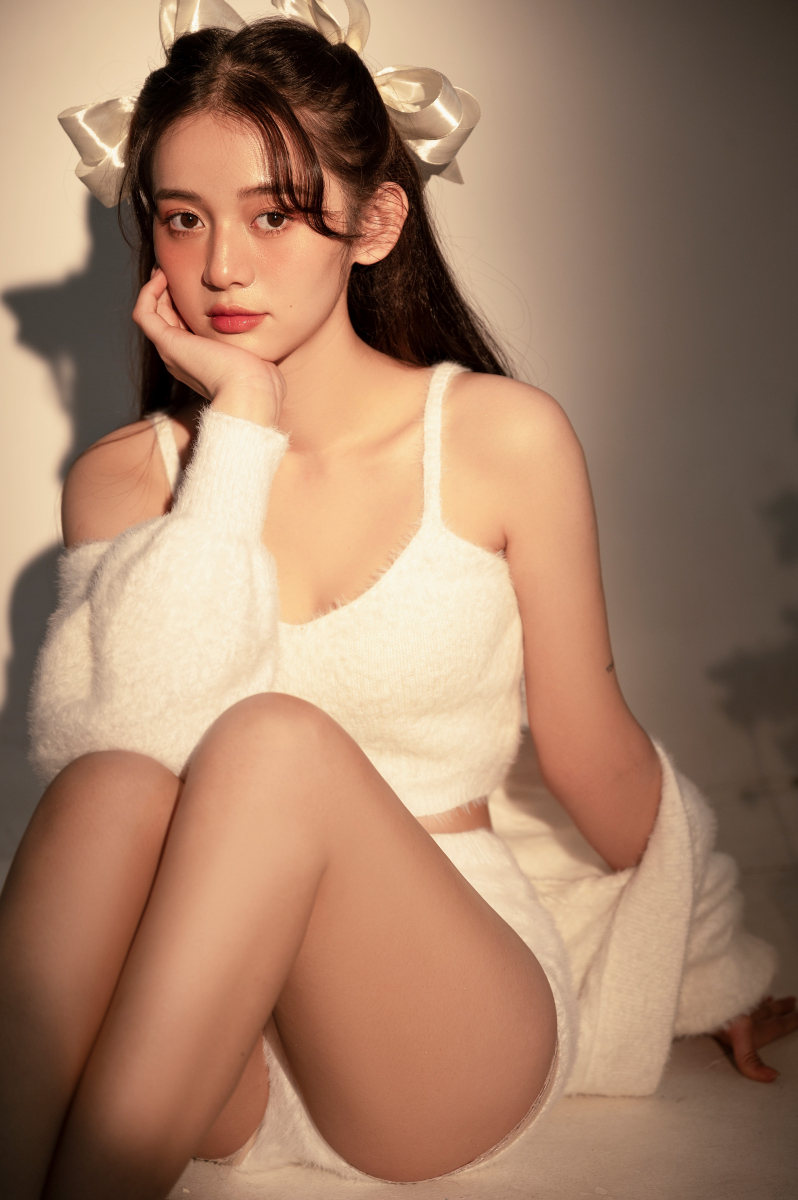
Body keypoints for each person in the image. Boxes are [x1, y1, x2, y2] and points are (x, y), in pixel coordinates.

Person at [1, 2, 795, 1198]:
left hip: (441, 1021)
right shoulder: (122, 481)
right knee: (111, 785)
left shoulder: (497, 438)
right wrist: (239, 435)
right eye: (182, 218)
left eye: (274, 214)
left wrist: (714, 968)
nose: (222, 266)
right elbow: (125, 753)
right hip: (212, 1029)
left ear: (372, 223)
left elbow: (596, 756)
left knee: (271, 743)